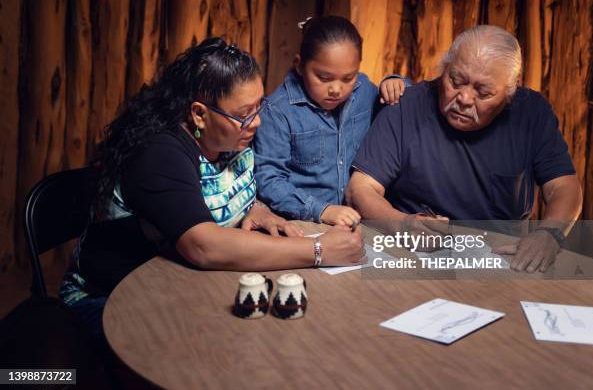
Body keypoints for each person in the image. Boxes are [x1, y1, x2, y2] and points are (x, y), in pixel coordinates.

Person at [59, 38, 364, 345]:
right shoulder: (159, 153)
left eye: (259, 107)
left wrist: (255, 207)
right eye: (245, 113)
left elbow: (219, 187)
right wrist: (318, 251)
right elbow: (203, 246)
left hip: (182, 287)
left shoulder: (232, 137)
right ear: (199, 115)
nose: (256, 121)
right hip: (110, 299)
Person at [346, 25, 582, 273]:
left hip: (502, 260)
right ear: (445, 68)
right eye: (456, 81)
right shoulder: (407, 105)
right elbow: (360, 188)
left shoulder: (531, 113)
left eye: (484, 92)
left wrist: (550, 235)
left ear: (510, 91)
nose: (465, 98)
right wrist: (400, 225)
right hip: (415, 256)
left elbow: (564, 186)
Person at [252, 16, 408, 227]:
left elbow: (399, 109)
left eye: (347, 78)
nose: (337, 89)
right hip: (305, 221)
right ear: (299, 65)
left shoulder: (363, 90)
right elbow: (269, 180)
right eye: (324, 78)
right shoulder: (277, 111)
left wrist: (395, 83)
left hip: (361, 217)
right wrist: (321, 210)